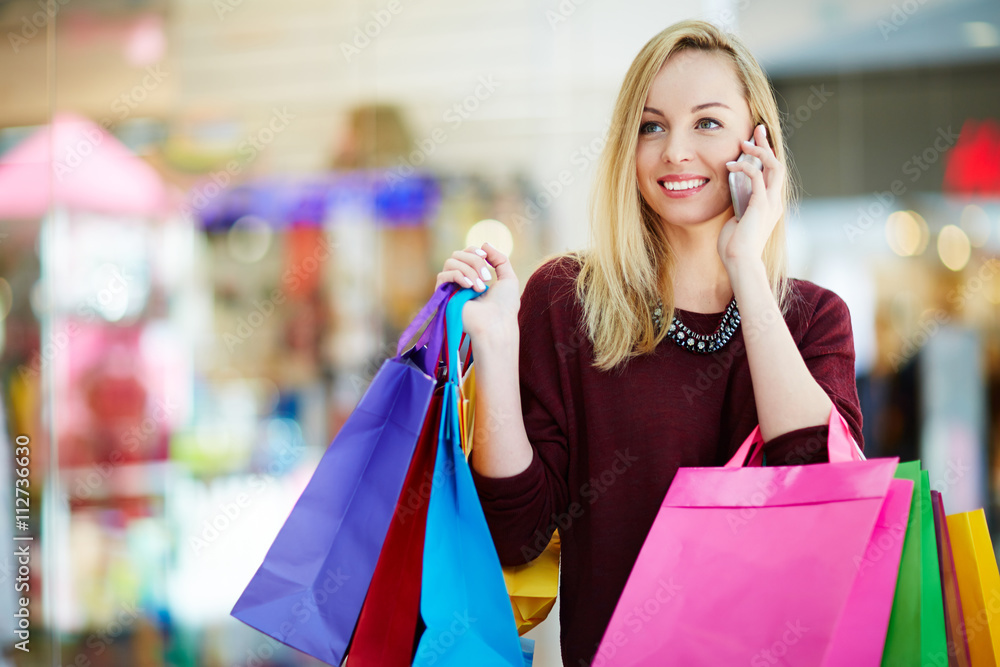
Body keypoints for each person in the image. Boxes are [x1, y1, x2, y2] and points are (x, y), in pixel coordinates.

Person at [435, 19, 863, 667]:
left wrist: (747, 265)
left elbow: (824, 492)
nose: (674, 152)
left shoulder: (813, 318)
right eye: (652, 125)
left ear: (760, 143)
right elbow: (515, 535)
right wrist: (496, 348)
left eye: (708, 123)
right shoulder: (565, 298)